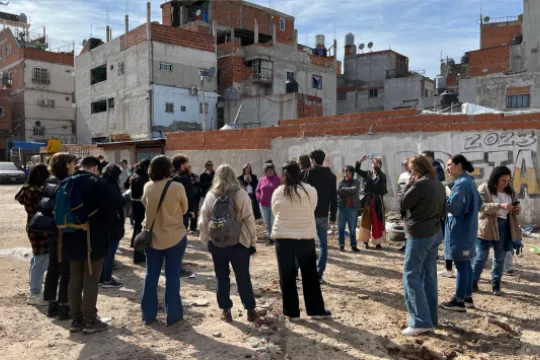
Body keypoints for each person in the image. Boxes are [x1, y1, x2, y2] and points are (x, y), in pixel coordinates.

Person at [199, 164, 259, 323]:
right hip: (239, 242)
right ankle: (250, 309)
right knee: (243, 276)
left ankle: (226, 310)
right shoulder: (241, 194)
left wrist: (206, 238)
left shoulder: (211, 195)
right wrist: (252, 241)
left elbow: (203, 220)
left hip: (217, 243)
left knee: (222, 276)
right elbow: (249, 220)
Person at [272, 161, 331, 320]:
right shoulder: (310, 190)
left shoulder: (278, 192)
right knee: (310, 274)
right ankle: (316, 310)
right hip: (304, 236)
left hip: (283, 237)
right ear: (300, 172)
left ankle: (291, 313)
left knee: (287, 275)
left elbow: (275, 211)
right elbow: (313, 208)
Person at [63, 156, 111, 334]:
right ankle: (90, 320)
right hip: (92, 237)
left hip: (70, 236)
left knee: (74, 278)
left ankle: (76, 320)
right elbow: (109, 210)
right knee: (91, 279)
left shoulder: (66, 181)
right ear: (96, 168)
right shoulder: (96, 183)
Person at [400, 155, 446, 336]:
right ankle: (431, 319)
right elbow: (444, 210)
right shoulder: (438, 183)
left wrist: (410, 184)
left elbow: (403, 203)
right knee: (429, 276)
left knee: (411, 276)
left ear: (417, 169)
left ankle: (420, 321)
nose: (410, 173)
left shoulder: (420, 184)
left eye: (411, 169)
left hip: (420, 234)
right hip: (434, 232)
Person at [141, 155, 188, 326]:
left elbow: (145, 205)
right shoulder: (177, 187)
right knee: (173, 276)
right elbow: (184, 209)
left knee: (151, 275)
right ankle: (173, 315)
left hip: (152, 237)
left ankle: (148, 315)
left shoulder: (147, 186)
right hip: (175, 236)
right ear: (169, 169)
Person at [440, 154, 482, 312]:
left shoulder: (460, 184)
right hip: (469, 229)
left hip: (461, 230)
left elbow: (454, 207)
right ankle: (467, 297)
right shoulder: (469, 181)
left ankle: (458, 301)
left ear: (459, 166)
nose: (447, 168)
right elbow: (479, 202)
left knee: (461, 264)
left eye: (450, 165)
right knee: (466, 264)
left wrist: (445, 199)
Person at [473, 166, 521, 296]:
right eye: (503, 181)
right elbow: (480, 206)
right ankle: (473, 282)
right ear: (495, 179)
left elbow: (517, 206)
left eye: (508, 181)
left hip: (505, 227)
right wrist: (499, 206)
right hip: (487, 227)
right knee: (481, 257)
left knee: (500, 258)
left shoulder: (510, 191)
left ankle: (496, 285)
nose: (506, 183)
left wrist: (516, 209)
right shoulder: (484, 188)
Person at [42, 153, 77, 320]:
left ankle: (52, 305)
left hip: (52, 232)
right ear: (66, 165)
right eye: (72, 163)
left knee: (53, 268)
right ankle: (65, 306)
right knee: (66, 270)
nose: (74, 166)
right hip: (64, 232)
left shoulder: (49, 181)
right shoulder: (65, 184)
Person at [15, 164, 50, 305]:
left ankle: (34, 289)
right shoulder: (35, 192)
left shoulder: (27, 188)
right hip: (40, 228)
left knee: (37, 259)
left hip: (34, 226)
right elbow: (44, 208)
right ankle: (35, 293)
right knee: (41, 260)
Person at [304, 150, 337, 282]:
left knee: (308, 244)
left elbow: (304, 193)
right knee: (323, 245)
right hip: (324, 214)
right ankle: (319, 273)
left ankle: (310, 271)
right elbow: (334, 198)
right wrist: (333, 217)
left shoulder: (309, 172)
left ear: (313, 160)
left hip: (310, 214)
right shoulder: (331, 175)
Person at [99, 164, 127, 288]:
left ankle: (101, 277)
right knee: (110, 253)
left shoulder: (99, 183)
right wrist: (126, 196)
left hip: (101, 223)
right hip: (112, 223)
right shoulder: (111, 186)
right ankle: (107, 279)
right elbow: (119, 202)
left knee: (103, 252)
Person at [355, 155, 388, 249]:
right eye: (373, 162)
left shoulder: (382, 175)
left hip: (377, 200)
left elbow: (381, 176)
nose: (373, 163)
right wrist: (360, 160)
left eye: (376, 162)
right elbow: (357, 170)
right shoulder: (368, 174)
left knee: (377, 221)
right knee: (366, 221)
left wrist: (376, 165)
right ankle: (365, 241)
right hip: (368, 200)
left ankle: (378, 242)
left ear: (379, 165)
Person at [255, 161, 281, 245]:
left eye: (271, 170)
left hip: (274, 205)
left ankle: (275, 238)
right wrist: (259, 198)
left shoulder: (278, 179)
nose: (269, 172)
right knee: (267, 223)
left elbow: (281, 190)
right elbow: (257, 190)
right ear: (265, 171)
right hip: (263, 205)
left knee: (274, 222)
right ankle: (269, 238)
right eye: (268, 170)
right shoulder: (262, 180)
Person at [130, 159, 151, 264]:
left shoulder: (135, 175)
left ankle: (137, 251)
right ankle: (138, 255)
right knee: (140, 230)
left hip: (137, 206)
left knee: (138, 228)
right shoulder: (141, 178)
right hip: (141, 207)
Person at [337, 165, 361, 252]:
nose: (345, 172)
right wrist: (348, 191)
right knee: (341, 227)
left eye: (347, 170)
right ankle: (341, 245)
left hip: (352, 208)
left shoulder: (356, 182)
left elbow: (354, 190)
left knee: (352, 228)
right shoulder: (340, 182)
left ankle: (353, 245)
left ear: (351, 172)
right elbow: (338, 191)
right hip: (342, 208)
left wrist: (344, 190)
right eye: (344, 170)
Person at [171, 154, 194, 231]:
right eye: (187, 163)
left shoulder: (170, 176)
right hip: (182, 211)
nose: (189, 165)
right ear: (182, 165)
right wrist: (191, 210)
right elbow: (189, 195)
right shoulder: (185, 178)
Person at [397, 158, 411, 252]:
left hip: (411, 203)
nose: (405, 166)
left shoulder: (415, 175)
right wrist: (399, 198)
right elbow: (398, 188)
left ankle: (410, 245)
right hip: (403, 203)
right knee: (405, 224)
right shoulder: (402, 175)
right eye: (404, 164)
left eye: (406, 164)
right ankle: (406, 245)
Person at [188, 164, 200, 233]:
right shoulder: (184, 177)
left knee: (194, 212)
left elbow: (197, 183)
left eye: (190, 167)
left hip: (195, 197)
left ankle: (193, 227)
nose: (189, 169)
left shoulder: (195, 176)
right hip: (187, 197)